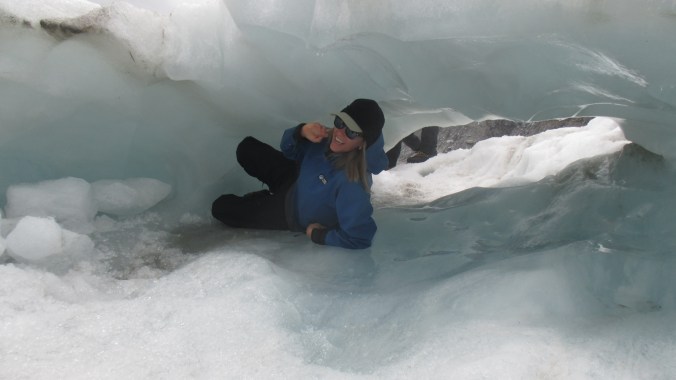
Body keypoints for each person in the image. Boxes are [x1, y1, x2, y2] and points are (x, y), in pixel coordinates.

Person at [212, 99, 387, 249]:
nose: (340, 132)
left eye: (351, 132)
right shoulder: (325, 138)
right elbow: (288, 150)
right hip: (293, 179)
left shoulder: (352, 182)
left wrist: (318, 235)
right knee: (247, 148)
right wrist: (301, 132)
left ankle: (262, 200)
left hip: (289, 213)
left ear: (363, 144)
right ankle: (264, 197)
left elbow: (360, 237)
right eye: (340, 122)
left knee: (221, 208)